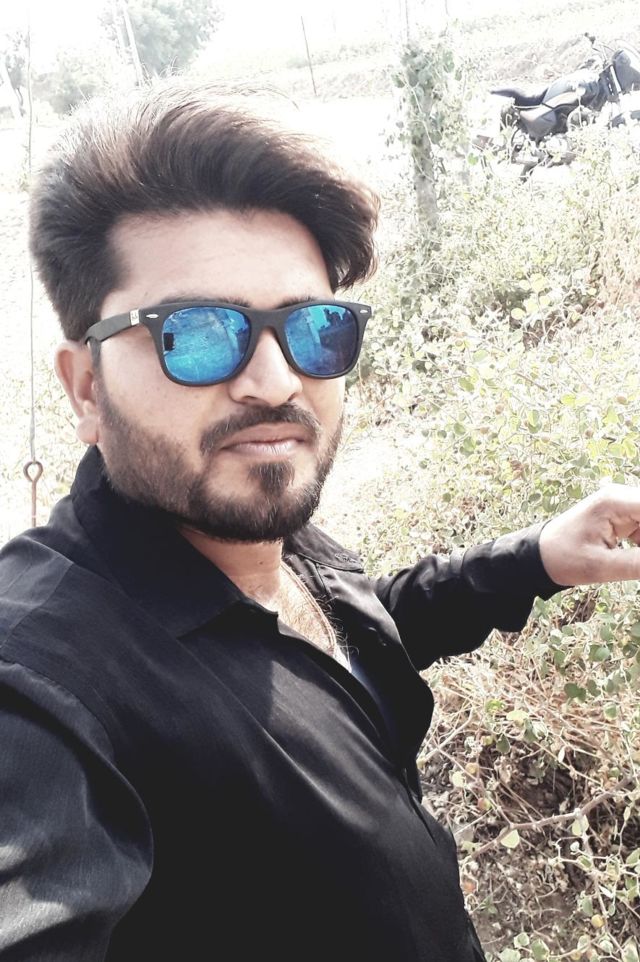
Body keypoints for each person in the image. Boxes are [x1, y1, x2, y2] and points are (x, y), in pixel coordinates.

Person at [2, 82, 640, 962]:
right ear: (85, 388)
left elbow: (344, 635)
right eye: (197, 332)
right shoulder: (40, 688)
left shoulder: (256, 531)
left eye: (313, 326)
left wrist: (535, 558)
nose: (275, 382)